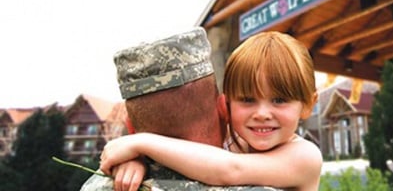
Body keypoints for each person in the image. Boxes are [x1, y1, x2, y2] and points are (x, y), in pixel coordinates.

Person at [100, 31, 323, 191]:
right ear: (226, 105)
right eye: (247, 100)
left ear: (307, 105)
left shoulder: (305, 157)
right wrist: (138, 162)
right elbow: (189, 157)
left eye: (279, 100)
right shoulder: (237, 141)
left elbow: (229, 170)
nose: (262, 113)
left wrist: (141, 143)